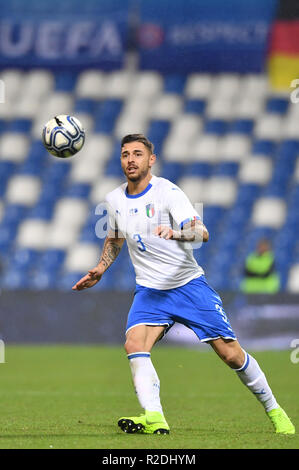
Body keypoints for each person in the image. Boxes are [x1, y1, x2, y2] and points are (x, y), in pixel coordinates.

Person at [72, 134, 295, 436]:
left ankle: (274, 410)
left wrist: (177, 234)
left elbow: (201, 232)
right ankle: (154, 417)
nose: (131, 160)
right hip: (150, 292)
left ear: (151, 160)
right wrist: (100, 267)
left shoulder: (168, 192)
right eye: (125, 154)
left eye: (138, 154)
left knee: (231, 355)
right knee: (134, 344)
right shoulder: (114, 200)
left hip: (187, 286)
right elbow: (115, 237)